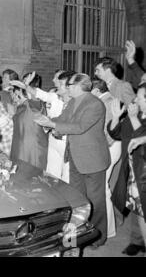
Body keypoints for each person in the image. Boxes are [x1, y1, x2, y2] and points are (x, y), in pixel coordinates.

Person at [36, 73, 110, 248]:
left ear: (78, 86)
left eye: (68, 85)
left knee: (95, 201)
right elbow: (63, 120)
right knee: (78, 200)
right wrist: (47, 121)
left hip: (93, 160)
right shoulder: (73, 102)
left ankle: (98, 237)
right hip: (75, 157)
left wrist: (54, 125)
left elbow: (80, 127)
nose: (66, 88)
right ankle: (80, 233)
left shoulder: (95, 103)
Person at [11, 70, 75, 182]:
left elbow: (36, 102)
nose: (56, 83)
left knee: (67, 179)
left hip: (67, 143)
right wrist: (26, 86)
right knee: (51, 176)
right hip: (53, 140)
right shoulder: (54, 97)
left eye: (61, 83)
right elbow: (39, 95)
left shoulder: (76, 102)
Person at [108, 84, 146, 256]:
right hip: (133, 173)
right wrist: (116, 117)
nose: (135, 99)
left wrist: (132, 118)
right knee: (139, 212)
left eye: (139, 96)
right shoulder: (136, 115)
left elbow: (142, 143)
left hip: (144, 174)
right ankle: (139, 242)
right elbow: (117, 133)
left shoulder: (136, 117)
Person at [91, 79, 119, 239]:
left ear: (96, 91)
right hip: (107, 147)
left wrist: (99, 150)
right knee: (102, 187)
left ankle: (107, 230)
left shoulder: (106, 101)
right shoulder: (105, 100)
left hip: (109, 147)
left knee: (102, 188)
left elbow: (110, 132)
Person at [10, 73, 48, 170]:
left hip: (32, 150)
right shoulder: (21, 106)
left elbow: (35, 99)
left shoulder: (35, 104)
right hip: (19, 147)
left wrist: (25, 86)